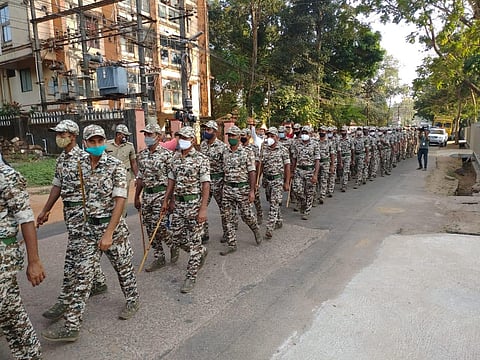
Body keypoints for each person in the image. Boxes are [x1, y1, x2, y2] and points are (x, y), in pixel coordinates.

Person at [42, 124, 140, 342]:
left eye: (100, 141)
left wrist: (109, 233)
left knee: (123, 269)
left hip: (113, 230)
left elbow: (120, 201)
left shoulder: (115, 166)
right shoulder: (79, 165)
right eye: (92, 141)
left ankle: (133, 299)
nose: (96, 145)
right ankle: (72, 325)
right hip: (88, 230)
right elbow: (69, 193)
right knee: (82, 276)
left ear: (104, 142)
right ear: (84, 143)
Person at [37, 120, 107, 323]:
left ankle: (67, 300)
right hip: (70, 213)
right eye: (57, 133)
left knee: (75, 258)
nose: (58, 137)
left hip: (84, 214)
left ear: (73, 136)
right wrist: (45, 210)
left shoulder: (85, 158)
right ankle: (99, 281)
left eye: (62, 133)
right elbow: (56, 187)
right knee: (84, 252)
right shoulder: (61, 160)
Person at [0, 162, 46, 360]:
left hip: (3, 257)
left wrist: (34, 261)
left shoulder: (7, 176)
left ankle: (31, 354)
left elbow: (26, 219)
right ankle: (28, 354)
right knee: (9, 312)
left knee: (10, 309)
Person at [162, 126, 209, 293]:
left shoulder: (201, 159)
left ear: (192, 140)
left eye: (185, 137)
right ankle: (200, 252)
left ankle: (191, 276)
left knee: (195, 240)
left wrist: (203, 208)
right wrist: (167, 199)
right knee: (176, 238)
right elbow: (171, 181)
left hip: (194, 205)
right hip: (178, 206)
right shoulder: (174, 158)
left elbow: (205, 184)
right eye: (180, 137)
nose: (182, 140)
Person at [135, 123, 174, 272]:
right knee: (150, 228)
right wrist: (137, 196)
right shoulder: (142, 155)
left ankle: (173, 243)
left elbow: (173, 179)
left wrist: (171, 200)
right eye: (145, 134)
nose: (147, 137)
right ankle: (159, 256)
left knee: (162, 227)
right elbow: (140, 177)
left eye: (149, 135)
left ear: (158, 136)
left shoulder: (167, 155)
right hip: (147, 196)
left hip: (161, 195)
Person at [221, 125, 262, 255]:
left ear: (239, 137)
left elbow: (252, 172)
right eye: (229, 136)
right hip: (228, 188)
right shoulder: (225, 152)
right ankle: (231, 243)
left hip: (242, 188)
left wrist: (252, 190)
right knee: (228, 216)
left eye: (233, 136)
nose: (231, 138)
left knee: (246, 215)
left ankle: (255, 229)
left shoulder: (247, 152)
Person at [199, 120, 228, 243]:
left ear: (215, 131)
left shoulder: (222, 147)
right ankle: (204, 233)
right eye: (205, 129)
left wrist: (225, 183)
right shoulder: (203, 145)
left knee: (224, 208)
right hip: (206, 181)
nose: (206, 132)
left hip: (219, 180)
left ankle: (227, 232)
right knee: (202, 206)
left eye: (209, 129)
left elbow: (226, 166)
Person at [259, 127, 290, 239]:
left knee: (274, 202)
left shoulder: (283, 149)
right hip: (267, 179)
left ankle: (270, 227)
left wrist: (287, 182)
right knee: (270, 200)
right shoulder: (264, 148)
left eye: (272, 136)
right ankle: (279, 219)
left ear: (277, 137)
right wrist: (259, 179)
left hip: (277, 180)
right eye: (268, 136)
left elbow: (287, 166)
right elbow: (261, 164)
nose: (270, 138)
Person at [106, 124, 138, 216]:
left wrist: (137, 177)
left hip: (125, 176)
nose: (126, 137)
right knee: (110, 198)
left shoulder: (129, 146)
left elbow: (133, 162)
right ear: (118, 135)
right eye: (124, 135)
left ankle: (122, 217)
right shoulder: (107, 145)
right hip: (110, 176)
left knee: (123, 198)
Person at [291, 125, 320, 220]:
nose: (304, 135)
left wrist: (315, 175)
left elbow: (317, 160)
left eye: (306, 133)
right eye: (303, 133)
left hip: (310, 170)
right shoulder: (297, 144)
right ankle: (303, 202)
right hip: (299, 170)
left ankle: (307, 211)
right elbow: (294, 158)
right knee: (296, 189)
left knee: (309, 192)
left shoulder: (315, 144)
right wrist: (292, 170)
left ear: (310, 134)